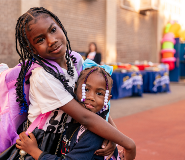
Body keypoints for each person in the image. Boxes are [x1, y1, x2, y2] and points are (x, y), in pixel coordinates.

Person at [14, 7, 135, 160]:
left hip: (70, 134)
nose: (52, 41)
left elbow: (93, 104)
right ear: (31, 48)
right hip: (44, 142)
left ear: (59, 25)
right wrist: (128, 143)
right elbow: (85, 117)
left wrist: (112, 133)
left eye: (52, 30)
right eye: (40, 39)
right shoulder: (43, 76)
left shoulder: (75, 59)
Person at [16, 60, 125, 160]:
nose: (91, 97)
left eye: (99, 93)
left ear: (108, 99)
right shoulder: (73, 118)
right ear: (75, 88)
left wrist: (34, 151)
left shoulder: (93, 133)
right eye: (86, 89)